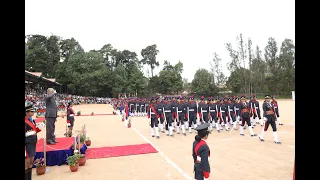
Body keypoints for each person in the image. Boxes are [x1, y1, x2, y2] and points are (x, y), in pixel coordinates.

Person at [25, 104, 44, 180]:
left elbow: (34, 131)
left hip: (32, 142)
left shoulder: (32, 120)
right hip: (27, 143)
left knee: (30, 163)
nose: (33, 113)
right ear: (27, 112)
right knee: (26, 164)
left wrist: (39, 128)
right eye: (31, 111)